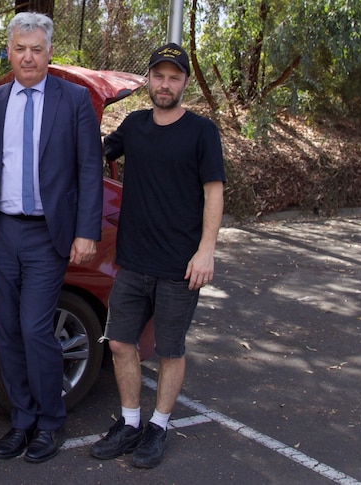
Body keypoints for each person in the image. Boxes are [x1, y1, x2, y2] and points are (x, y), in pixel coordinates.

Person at [0, 12, 104, 464]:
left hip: (48, 236)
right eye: (20, 48)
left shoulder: (75, 101)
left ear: (49, 53)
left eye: (37, 49)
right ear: (10, 51)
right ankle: (22, 420)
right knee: (6, 331)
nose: (28, 56)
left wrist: (87, 232)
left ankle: (50, 421)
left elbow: (89, 170)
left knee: (35, 328)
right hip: (1, 233)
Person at [89, 42, 226, 469]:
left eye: (174, 77)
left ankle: (159, 426)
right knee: (119, 343)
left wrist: (207, 250)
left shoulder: (202, 131)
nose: (165, 84)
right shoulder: (133, 124)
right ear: (148, 79)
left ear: (185, 83)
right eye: (159, 76)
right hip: (132, 261)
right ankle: (130, 423)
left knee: (169, 350)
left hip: (179, 266)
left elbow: (214, 191)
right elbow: (93, 155)